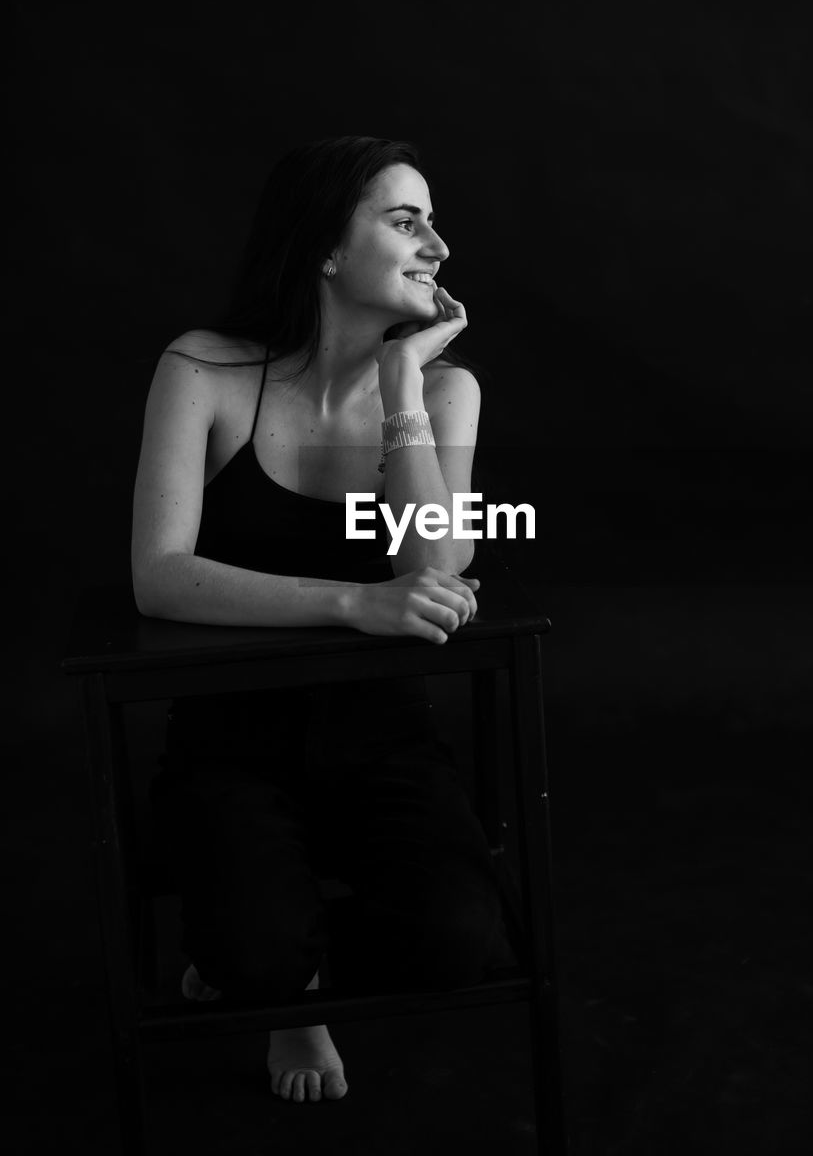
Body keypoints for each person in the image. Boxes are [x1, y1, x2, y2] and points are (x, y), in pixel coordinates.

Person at [131, 136, 508, 1105]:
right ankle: (284, 985)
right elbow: (160, 575)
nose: (438, 245)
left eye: (432, 218)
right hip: (228, 737)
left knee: (458, 944)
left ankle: (274, 947)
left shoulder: (445, 387)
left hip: (384, 734)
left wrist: (399, 389)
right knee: (253, 951)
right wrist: (353, 600)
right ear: (325, 248)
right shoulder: (205, 368)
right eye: (404, 218)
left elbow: (433, 561)